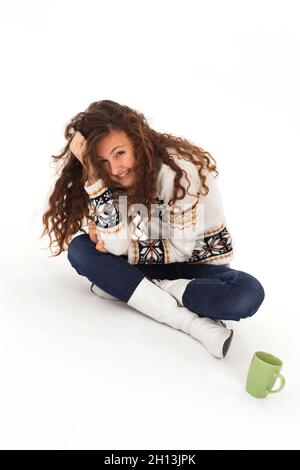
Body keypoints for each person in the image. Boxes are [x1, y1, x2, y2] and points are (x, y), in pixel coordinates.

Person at [41, 99, 265, 359]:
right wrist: (92, 175)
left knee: (247, 294)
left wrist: (119, 253)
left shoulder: (179, 172)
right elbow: (118, 245)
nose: (115, 169)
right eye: (101, 161)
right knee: (81, 249)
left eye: (119, 153)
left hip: (199, 266)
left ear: (136, 140)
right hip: (152, 257)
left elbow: (180, 250)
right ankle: (195, 325)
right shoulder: (109, 177)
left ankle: (136, 289)